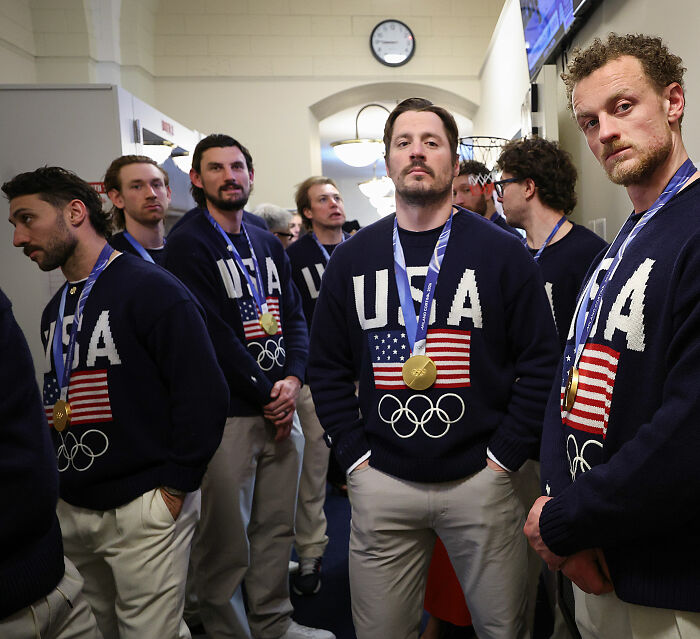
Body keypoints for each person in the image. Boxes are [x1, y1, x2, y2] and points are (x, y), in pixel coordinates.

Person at [308, 97, 560, 639]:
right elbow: (325, 368)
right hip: (382, 480)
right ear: (387, 159)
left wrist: (503, 458)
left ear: (452, 159)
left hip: (483, 479)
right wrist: (353, 457)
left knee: (504, 628)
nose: (417, 152)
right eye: (404, 142)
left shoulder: (503, 252)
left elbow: (542, 362)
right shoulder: (352, 258)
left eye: (431, 142)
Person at [524, 33, 700, 639]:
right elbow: (567, 381)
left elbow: (688, 431)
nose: (605, 132)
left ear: (673, 101)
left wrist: (567, 520)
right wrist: (559, 505)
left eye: (623, 107)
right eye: (589, 121)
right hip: (598, 553)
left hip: (669, 576)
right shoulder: (626, 238)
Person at [3, 166, 229, 639]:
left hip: (143, 504)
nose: (20, 237)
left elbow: (204, 393)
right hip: (74, 507)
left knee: (152, 633)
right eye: (14, 225)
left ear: (76, 212)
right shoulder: (56, 308)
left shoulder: (151, 288)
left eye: (28, 218)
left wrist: (173, 489)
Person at [164, 134, 333, 639]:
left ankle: (273, 622)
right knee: (226, 540)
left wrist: (293, 379)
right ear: (197, 179)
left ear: (251, 176)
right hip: (232, 414)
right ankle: (228, 630)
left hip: (281, 402)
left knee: (275, 529)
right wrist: (267, 392)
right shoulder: (186, 245)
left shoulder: (263, 239)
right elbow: (212, 334)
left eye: (237, 167)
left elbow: (295, 317)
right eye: (215, 168)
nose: (228, 176)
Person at [0, 287, 103, 639]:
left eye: (25, 225)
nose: (17, 240)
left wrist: (175, 482)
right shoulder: (53, 312)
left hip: (55, 576)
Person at [286, 176, 348, 596]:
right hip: (317, 380)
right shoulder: (294, 256)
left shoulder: (368, 247)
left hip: (371, 377)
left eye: (337, 196)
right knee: (313, 473)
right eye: (323, 199)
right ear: (307, 212)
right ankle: (311, 553)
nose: (333, 204)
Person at [495, 138, 607, 351]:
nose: (500, 199)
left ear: (528, 187)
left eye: (503, 185)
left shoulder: (592, 255)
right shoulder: (512, 256)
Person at [104, 155, 170, 265]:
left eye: (156, 185)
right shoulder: (107, 258)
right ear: (117, 198)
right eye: (137, 187)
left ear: (168, 194)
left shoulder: (184, 250)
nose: (151, 194)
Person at [452, 160, 521, 237]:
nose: (458, 201)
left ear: (487, 191)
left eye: (466, 190)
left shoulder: (509, 240)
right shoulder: (457, 236)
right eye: (454, 193)